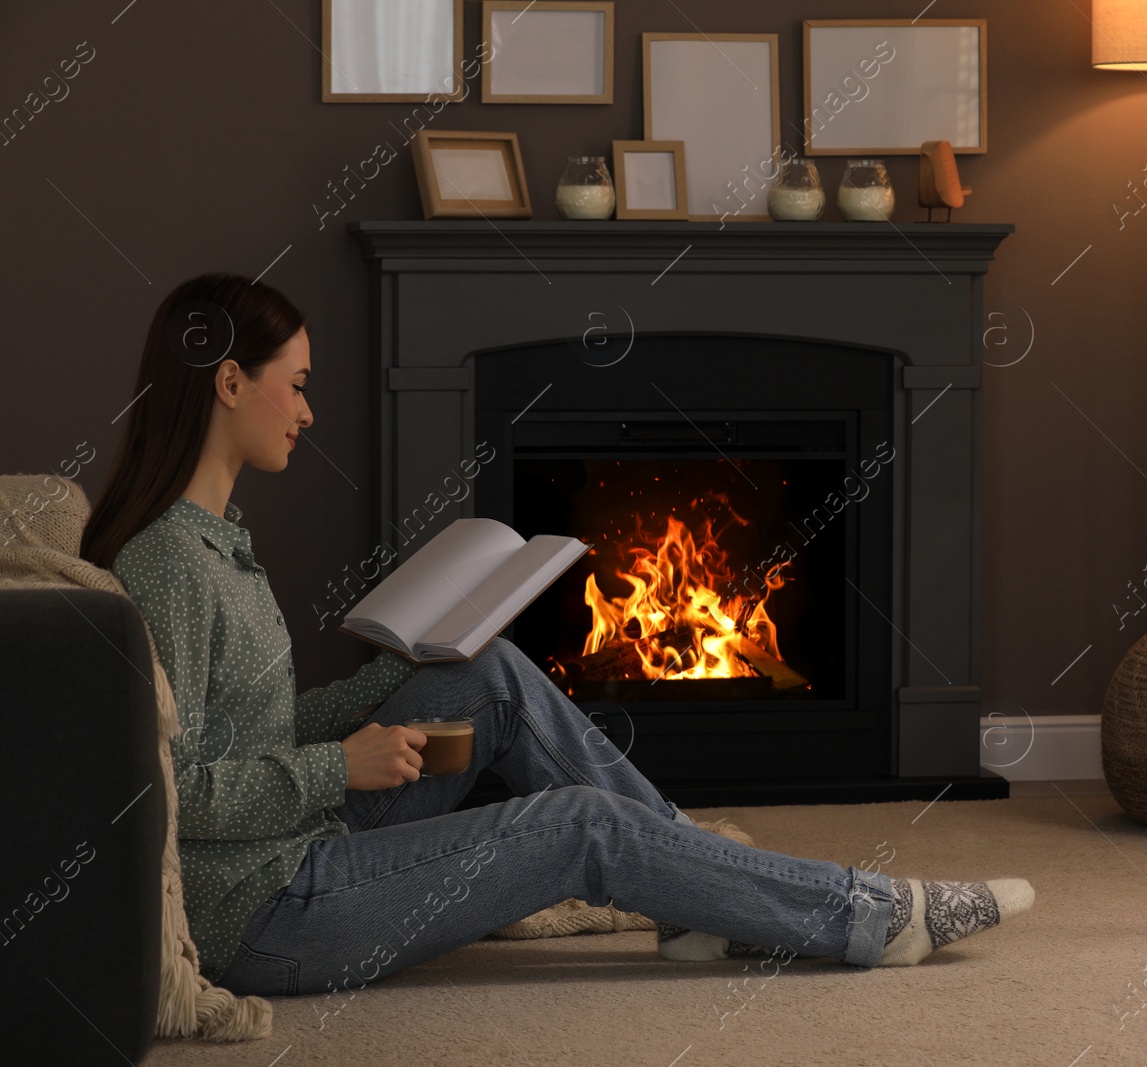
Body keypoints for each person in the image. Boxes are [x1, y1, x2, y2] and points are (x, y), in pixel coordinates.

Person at [79, 272, 1034, 998]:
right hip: (264, 909)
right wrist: (342, 766)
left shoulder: (218, 543)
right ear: (232, 383)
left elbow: (253, 726)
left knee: (487, 670)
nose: (309, 410)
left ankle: (702, 902)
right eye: (297, 385)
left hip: (296, 839)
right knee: (581, 824)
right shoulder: (166, 562)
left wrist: (397, 674)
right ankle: (867, 914)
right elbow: (169, 793)